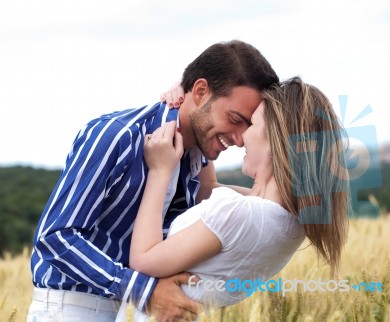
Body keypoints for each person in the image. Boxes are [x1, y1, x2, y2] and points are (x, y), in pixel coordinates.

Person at [27, 40, 279, 322]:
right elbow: (54, 237)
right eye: (234, 119)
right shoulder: (116, 135)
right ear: (200, 91)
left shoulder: (198, 154)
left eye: (248, 126)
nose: (239, 138)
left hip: (136, 311)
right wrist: (143, 290)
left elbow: (210, 195)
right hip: (76, 309)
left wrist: (282, 202)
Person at [128, 77, 350, 321]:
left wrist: (159, 172)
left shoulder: (239, 213)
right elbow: (208, 188)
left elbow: (143, 259)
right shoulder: (290, 224)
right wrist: (198, 104)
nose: (242, 137)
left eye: (252, 125)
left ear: (274, 142)